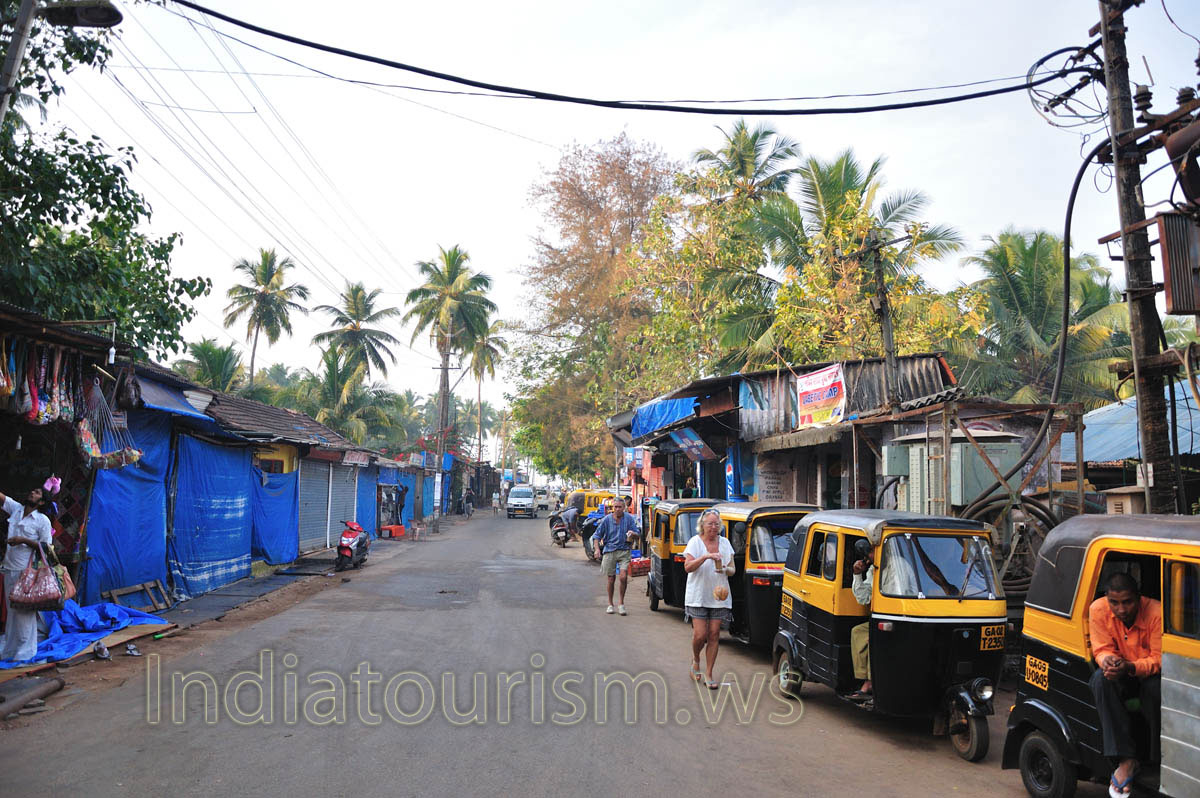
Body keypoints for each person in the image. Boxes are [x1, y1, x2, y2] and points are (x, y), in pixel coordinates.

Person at [1088, 572, 1162, 798]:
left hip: (1148, 675)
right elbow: (1101, 650)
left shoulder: (1156, 613)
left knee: (1156, 689)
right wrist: (1108, 662)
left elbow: (1159, 659)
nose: (1121, 609)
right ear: (1107, 599)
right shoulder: (1098, 609)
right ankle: (1126, 759)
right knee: (1100, 680)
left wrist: (1130, 667)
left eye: (1127, 602)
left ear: (1138, 598)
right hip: (1121, 674)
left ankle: (1156, 759)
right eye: (1115, 603)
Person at [848, 537, 919, 700]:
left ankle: (870, 683)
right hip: (883, 617)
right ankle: (865, 678)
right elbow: (863, 598)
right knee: (858, 632)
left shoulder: (898, 565)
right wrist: (857, 575)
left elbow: (897, 596)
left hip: (902, 617)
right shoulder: (874, 570)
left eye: (871, 552)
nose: (869, 556)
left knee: (874, 635)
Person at [0, 481, 56, 663]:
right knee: (12, 613)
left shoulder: (42, 521)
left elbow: (47, 547)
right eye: (33, 490)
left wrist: (23, 540)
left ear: (41, 502)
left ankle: (25, 653)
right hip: (9, 569)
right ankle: (10, 651)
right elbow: (2, 498)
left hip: (26, 574)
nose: (32, 492)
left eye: (37, 492)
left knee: (24, 614)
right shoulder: (17, 509)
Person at [683, 508, 734, 690]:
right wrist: (705, 557)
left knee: (714, 634)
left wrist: (724, 569)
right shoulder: (695, 543)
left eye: (716, 524)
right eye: (710, 523)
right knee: (700, 635)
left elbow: (732, 569)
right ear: (702, 525)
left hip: (719, 595)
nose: (713, 527)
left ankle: (709, 673)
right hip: (697, 595)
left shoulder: (726, 543)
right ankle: (696, 660)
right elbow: (687, 567)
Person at [590, 497, 639, 616]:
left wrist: (633, 533)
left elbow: (638, 533)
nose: (617, 509)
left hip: (624, 550)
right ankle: (610, 604)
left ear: (624, 508)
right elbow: (596, 536)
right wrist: (597, 550)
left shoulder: (629, 519)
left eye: (620, 507)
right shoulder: (606, 520)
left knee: (623, 577)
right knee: (611, 579)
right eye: (615, 507)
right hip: (609, 550)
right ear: (613, 508)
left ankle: (621, 604)